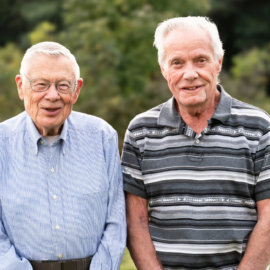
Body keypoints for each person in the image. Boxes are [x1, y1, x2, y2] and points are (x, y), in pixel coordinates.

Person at [121, 16, 270, 270]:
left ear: (218, 63)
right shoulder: (140, 132)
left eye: (200, 60)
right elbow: (135, 220)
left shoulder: (259, 127)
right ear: (164, 70)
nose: (189, 74)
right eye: (176, 63)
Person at [0, 42, 126, 270]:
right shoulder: (2, 143)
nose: (52, 95)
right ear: (21, 87)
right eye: (40, 85)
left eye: (63, 85)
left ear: (76, 90)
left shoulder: (102, 137)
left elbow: (116, 221)